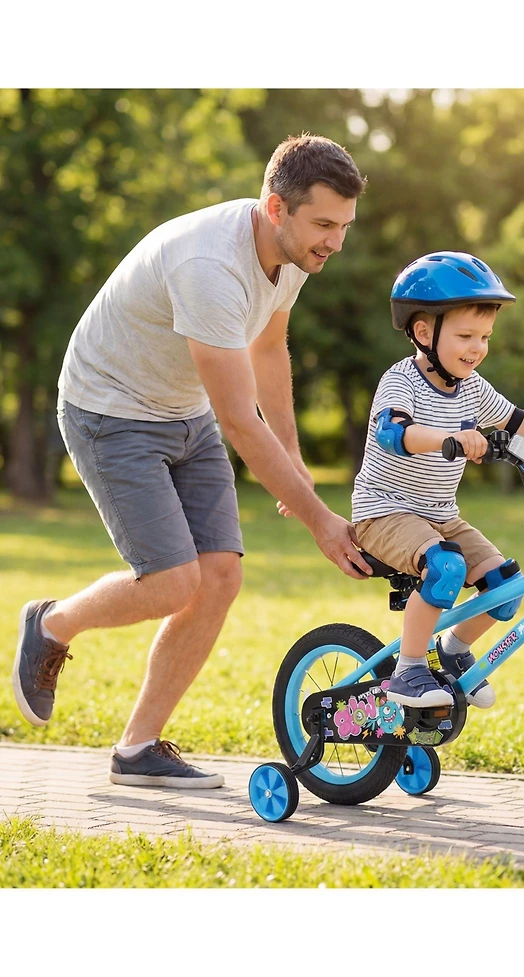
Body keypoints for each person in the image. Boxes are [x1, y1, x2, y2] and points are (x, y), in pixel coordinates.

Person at [12, 133, 374, 788]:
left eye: (344, 226)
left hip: (184, 410)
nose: (336, 242)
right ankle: (51, 622)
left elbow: (269, 347)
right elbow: (239, 420)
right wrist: (321, 521)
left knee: (220, 576)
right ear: (276, 207)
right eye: (325, 225)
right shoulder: (211, 266)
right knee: (173, 580)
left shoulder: (293, 254)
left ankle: (137, 749)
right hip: (110, 410)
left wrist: (293, 456)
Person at [351, 251, 524, 709]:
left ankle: (452, 651)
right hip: (384, 512)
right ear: (424, 333)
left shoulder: (472, 387)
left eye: (485, 337)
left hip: (439, 516)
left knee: (504, 587)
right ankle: (408, 671)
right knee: (447, 568)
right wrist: (448, 439)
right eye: (466, 336)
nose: (477, 348)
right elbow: (393, 434)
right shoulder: (401, 382)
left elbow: (523, 424)